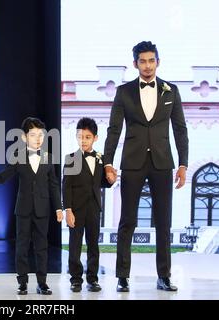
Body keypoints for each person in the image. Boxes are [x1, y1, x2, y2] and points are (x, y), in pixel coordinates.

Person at [103, 41, 189, 292]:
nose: (148, 65)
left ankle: (163, 276)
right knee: (127, 221)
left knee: (163, 222)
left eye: (152, 60)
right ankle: (122, 276)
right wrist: (108, 163)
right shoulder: (124, 92)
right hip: (132, 162)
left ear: (158, 62)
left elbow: (180, 130)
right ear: (135, 64)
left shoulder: (170, 90)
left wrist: (183, 164)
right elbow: (114, 130)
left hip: (163, 163)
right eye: (143, 61)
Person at [0, 117, 63, 295]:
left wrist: (58, 208)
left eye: (41, 135)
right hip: (24, 209)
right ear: (24, 137)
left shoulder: (48, 158)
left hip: (43, 209)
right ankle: (22, 282)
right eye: (33, 135)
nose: (38, 138)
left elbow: (54, 185)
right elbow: (1, 178)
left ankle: (42, 282)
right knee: (21, 246)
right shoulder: (18, 157)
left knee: (42, 246)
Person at [63, 117, 115, 293]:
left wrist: (111, 181)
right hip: (76, 209)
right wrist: (68, 210)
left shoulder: (101, 159)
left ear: (95, 138)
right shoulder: (71, 159)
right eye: (79, 137)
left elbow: (102, 182)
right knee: (74, 245)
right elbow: (66, 187)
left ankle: (92, 279)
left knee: (93, 244)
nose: (83, 140)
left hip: (94, 208)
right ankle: (76, 279)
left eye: (87, 137)